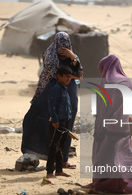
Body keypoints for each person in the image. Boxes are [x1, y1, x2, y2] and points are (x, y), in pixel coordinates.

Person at [21, 32, 83, 168]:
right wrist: (71, 75)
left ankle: (63, 160)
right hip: (52, 93)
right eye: (61, 47)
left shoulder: (72, 57)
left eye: (65, 47)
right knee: (43, 122)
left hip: (70, 96)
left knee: (66, 126)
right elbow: (57, 74)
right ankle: (44, 156)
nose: (63, 50)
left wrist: (73, 56)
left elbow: (80, 75)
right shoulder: (50, 56)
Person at [83, 54, 132, 194]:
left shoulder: (109, 83)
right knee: (122, 154)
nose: (102, 73)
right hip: (122, 124)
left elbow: (107, 107)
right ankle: (128, 183)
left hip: (109, 126)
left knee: (106, 156)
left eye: (102, 70)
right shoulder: (126, 81)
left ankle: (108, 184)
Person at [46, 65, 73, 178]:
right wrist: (55, 119)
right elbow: (52, 106)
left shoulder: (65, 89)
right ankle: (49, 172)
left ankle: (59, 170)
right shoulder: (56, 89)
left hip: (65, 122)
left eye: (70, 77)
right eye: (66, 76)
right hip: (57, 123)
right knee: (53, 146)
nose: (68, 79)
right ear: (59, 76)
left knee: (60, 147)